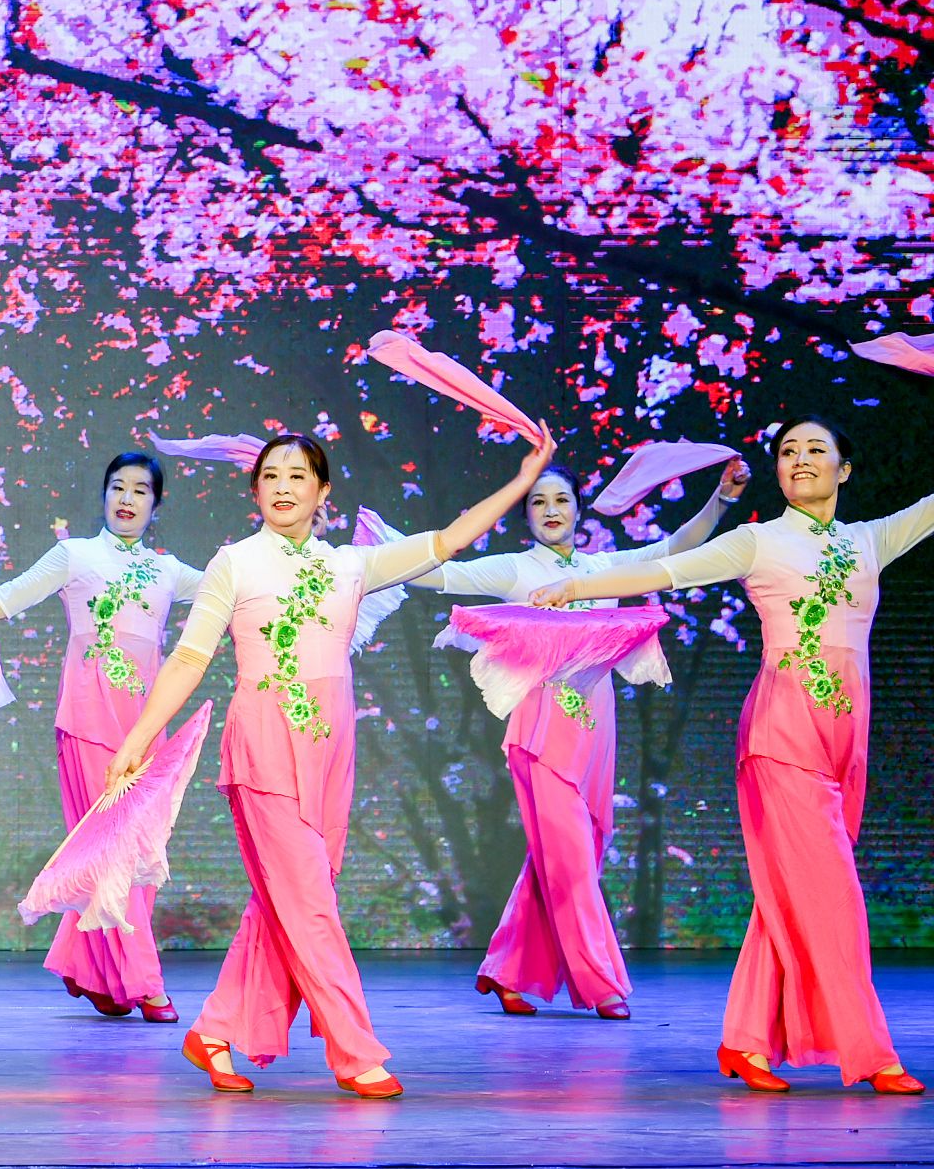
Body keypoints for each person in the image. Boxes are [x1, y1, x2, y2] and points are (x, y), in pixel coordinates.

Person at [109, 428, 553, 1099]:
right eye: (270, 475)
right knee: (309, 905)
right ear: (254, 490)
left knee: (285, 902)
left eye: (298, 475)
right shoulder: (236, 562)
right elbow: (190, 658)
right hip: (263, 752)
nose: (282, 486)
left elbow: (446, 540)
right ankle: (355, 1048)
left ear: (323, 492)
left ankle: (215, 1029)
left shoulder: (351, 565)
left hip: (329, 755)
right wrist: (139, 738)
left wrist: (521, 482)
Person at [533, 418, 927, 1095]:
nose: (800, 459)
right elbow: (668, 568)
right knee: (835, 898)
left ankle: (745, 1040)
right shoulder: (759, 540)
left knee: (794, 894)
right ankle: (870, 1052)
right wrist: (576, 588)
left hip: (846, 741)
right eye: (788, 451)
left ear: (845, 469)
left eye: (816, 450)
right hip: (781, 737)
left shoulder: (870, 539)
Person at [406, 456, 747, 1020]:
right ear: (526, 516)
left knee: (573, 853)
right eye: (538, 502)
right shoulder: (515, 569)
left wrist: (722, 499)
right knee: (569, 859)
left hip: (596, 728)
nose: (550, 510)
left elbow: (675, 550)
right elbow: (439, 574)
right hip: (540, 731)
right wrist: (373, 554)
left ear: (579, 510)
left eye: (561, 499)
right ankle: (601, 982)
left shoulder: (605, 568)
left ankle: (508, 970)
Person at [0, 452, 200, 1021]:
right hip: (88, 720)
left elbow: (238, 597)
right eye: (117, 487)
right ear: (103, 495)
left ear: (157, 505)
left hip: (145, 727)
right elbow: (8, 596)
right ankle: (145, 982)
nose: (127, 499)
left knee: (137, 851)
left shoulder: (171, 572)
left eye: (140, 490)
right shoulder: (75, 555)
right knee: (109, 846)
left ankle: (91, 968)